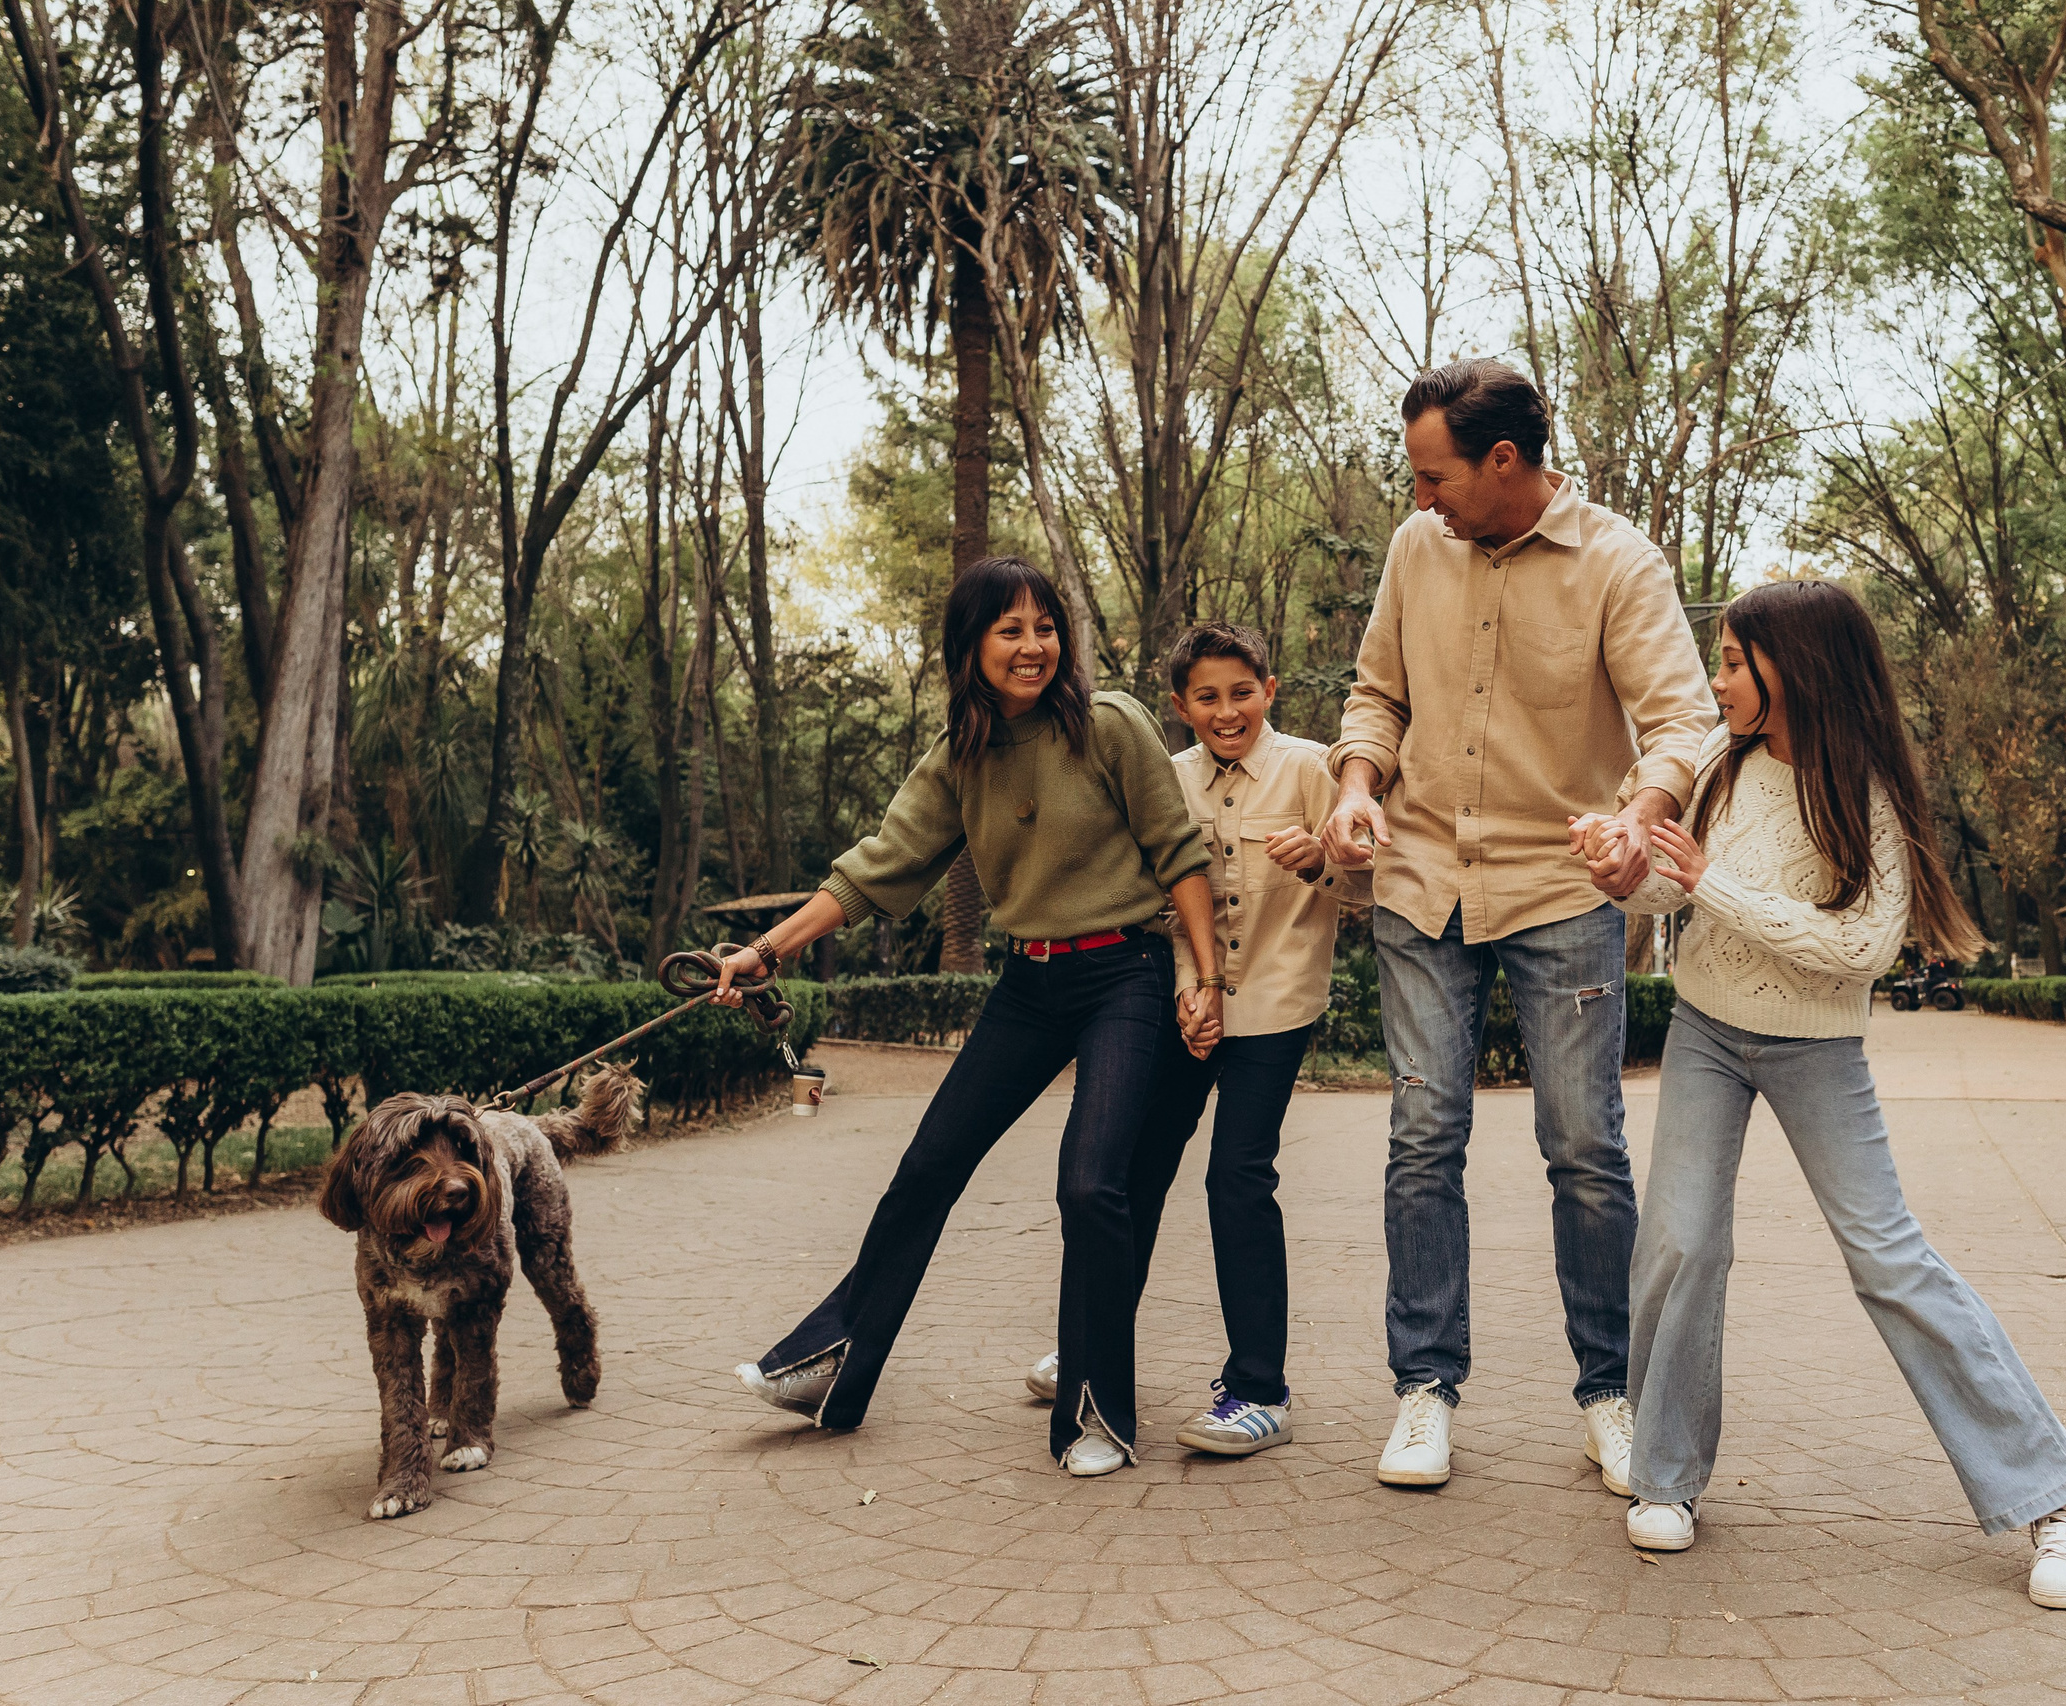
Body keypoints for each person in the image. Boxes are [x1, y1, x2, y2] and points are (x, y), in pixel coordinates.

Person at [1610, 579, 2066, 1610]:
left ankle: (2062, 1497)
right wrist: (1622, 870)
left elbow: (1861, 948)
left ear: (1790, 670)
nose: (1717, 680)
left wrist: (1706, 882)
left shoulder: (1865, 795)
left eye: (1734, 662)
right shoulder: (1719, 759)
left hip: (1815, 1046)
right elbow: (1674, 888)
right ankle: (1663, 1473)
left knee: (1887, 1257)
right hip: (1704, 1029)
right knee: (1678, 1238)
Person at [712, 556, 1222, 1478]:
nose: (1033, 647)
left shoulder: (1109, 725)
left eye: (1044, 628)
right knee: (926, 1167)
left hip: (1126, 977)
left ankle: (1098, 1411)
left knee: (1090, 1185)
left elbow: (1179, 852)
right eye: (1009, 631)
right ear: (971, 647)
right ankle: (828, 1366)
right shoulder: (959, 756)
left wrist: (1205, 978)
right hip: (1030, 984)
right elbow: (873, 870)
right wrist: (767, 952)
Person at [1323, 357, 1719, 1493]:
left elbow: (1680, 720)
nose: (1420, 498)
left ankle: (1611, 1394)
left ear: (1504, 460)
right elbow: (1375, 694)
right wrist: (1356, 783)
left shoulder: (1616, 562)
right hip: (1420, 881)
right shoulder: (1416, 550)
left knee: (1584, 1146)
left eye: (1434, 475)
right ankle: (1423, 1391)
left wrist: (1639, 817)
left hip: (1558, 892)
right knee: (1420, 1135)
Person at [1027, 621, 1368, 1455]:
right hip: (1183, 1007)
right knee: (1134, 1174)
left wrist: (1319, 864)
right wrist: (1191, 988)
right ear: (1179, 708)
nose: (1227, 711)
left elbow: (1373, 886)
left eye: (1242, 693)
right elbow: (1154, 893)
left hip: (1277, 1009)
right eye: (1207, 698)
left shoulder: (1315, 769)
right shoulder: (1164, 776)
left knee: (1236, 1178)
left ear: (1270, 691)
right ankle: (1093, 1350)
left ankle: (1259, 1389)